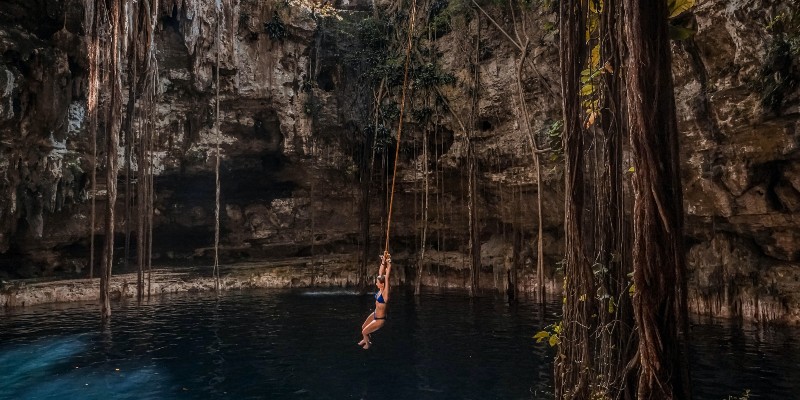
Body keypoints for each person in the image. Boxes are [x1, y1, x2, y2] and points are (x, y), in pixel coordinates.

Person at [358, 251, 392, 349]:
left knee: (364, 332)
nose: (376, 284)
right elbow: (381, 273)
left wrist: (389, 264)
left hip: (380, 320)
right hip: (375, 314)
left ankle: (368, 344)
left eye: (377, 283)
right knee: (362, 327)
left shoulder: (385, 294)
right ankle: (365, 338)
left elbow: (387, 277)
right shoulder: (380, 289)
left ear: (382, 284)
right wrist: (383, 261)